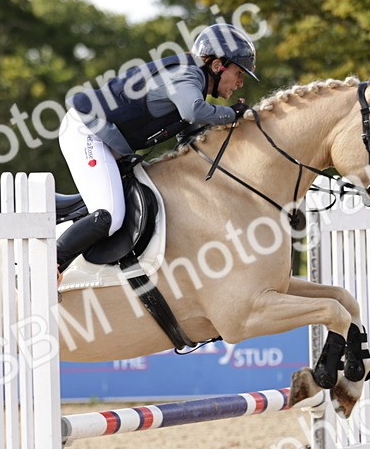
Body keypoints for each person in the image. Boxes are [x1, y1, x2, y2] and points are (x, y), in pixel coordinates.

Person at [54, 23, 259, 274]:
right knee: (110, 216)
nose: (240, 83)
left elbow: (192, 139)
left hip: (107, 139)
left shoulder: (195, 83)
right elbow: (192, 111)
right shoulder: (187, 76)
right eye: (239, 73)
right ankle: (48, 266)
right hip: (87, 131)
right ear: (217, 65)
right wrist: (232, 113)